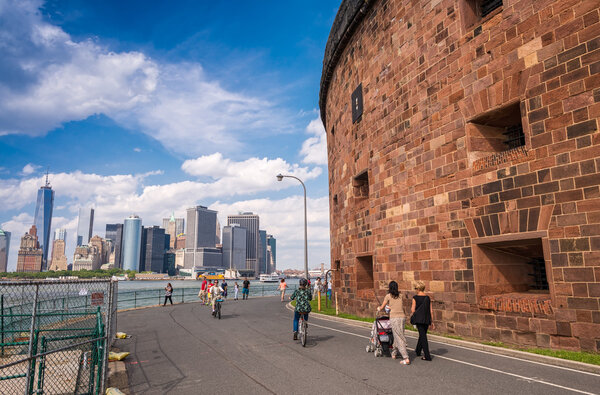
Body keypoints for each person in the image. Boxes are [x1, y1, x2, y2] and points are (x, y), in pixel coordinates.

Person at [377, 281, 410, 365]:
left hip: (394, 317)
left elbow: (382, 307)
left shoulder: (388, 296)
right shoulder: (401, 295)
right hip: (402, 317)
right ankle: (394, 353)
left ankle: (405, 357)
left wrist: (379, 308)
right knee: (397, 334)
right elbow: (400, 305)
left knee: (399, 337)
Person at [411, 281, 434, 361]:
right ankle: (418, 350)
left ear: (418, 289)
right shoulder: (428, 298)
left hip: (419, 319)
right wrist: (432, 321)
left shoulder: (415, 298)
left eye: (415, 288)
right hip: (426, 319)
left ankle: (427, 355)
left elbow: (413, 310)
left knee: (423, 336)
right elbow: (431, 310)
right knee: (422, 334)